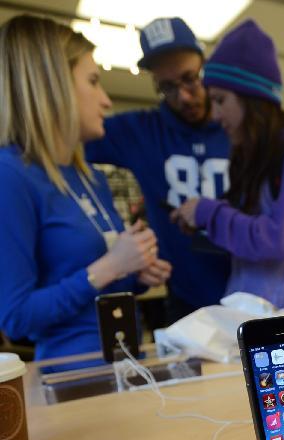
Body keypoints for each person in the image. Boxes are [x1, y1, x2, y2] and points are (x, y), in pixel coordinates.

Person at [0, 15, 169, 362]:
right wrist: (107, 267)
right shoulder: (11, 176)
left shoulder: (90, 177)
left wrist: (135, 271)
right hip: (72, 379)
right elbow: (16, 318)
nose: (107, 101)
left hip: (125, 364)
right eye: (93, 81)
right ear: (53, 86)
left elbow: (100, 284)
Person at [171, 20, 284, 316]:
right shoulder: (247, 152)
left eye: (220, 100)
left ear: (253, 99)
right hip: (243, 312)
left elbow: (276, 240)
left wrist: (208, 212)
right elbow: (248, 225)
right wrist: (202, 221)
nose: (214, 115)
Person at [85, 17, 230, 323]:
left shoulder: (235, 123)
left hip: (252, 287)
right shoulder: (139, 131)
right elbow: (60, 138)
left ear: (205, 65)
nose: (184, 96)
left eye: (190, 78)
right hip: (184, 298)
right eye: (167, 87)